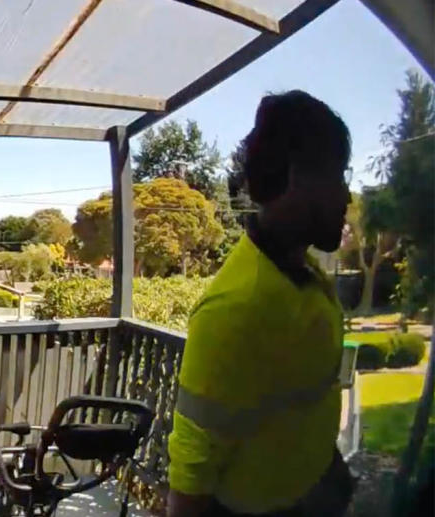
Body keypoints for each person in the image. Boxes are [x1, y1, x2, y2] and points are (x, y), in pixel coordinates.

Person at [167, 91, 356, 517]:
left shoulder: (302, 270)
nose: (347, 197)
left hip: (315, 486)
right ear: (295, 178)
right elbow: (190, 473)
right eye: (339, 176)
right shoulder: (234, 309)